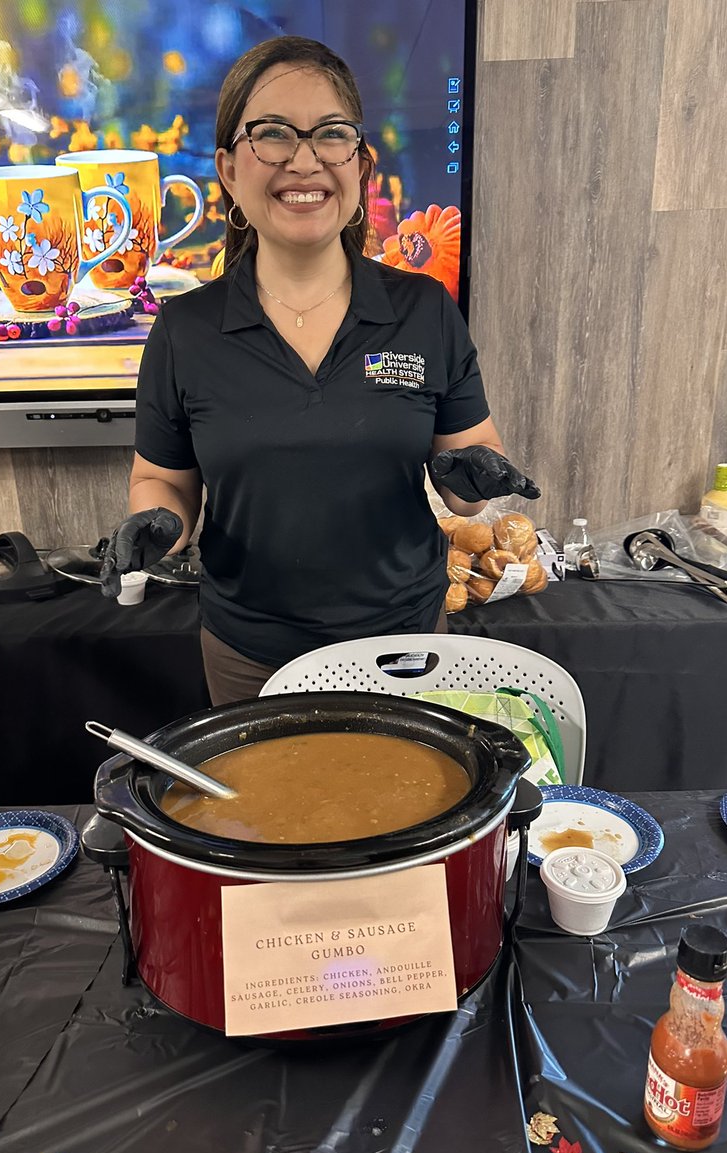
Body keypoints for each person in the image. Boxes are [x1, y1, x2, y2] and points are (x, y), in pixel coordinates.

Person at [100, 35, 539, 705]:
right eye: (272, 134)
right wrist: (157, 523)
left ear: (360, 164)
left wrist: (469, 474)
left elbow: (471, 477)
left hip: (407, 647)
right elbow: (163, 480)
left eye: (331, 135)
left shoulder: (423, 309)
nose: (304, 161)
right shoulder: (184, 330)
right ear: (227, 167)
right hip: (249, 657)